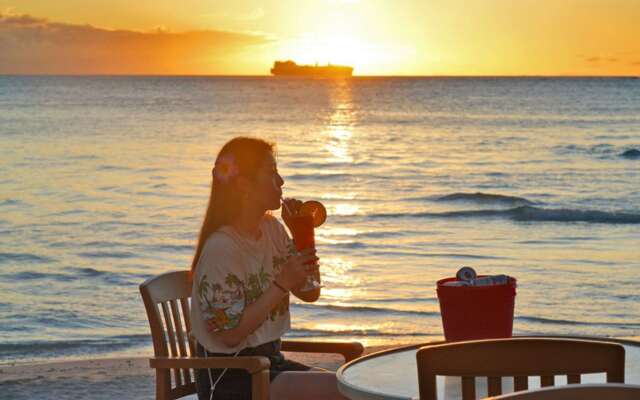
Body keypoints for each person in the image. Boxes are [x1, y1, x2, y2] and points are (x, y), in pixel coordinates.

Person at [189, 136, 348, 399]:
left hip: (270, 363)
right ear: (243, 185)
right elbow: (230, 336)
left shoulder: (272, 230)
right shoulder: (222, 248)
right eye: (271, 172)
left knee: (350, 389)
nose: (281, 181)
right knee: (343, 393)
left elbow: (310, 292)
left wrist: (302, 233)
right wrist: (280, 285)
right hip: (231, 377)